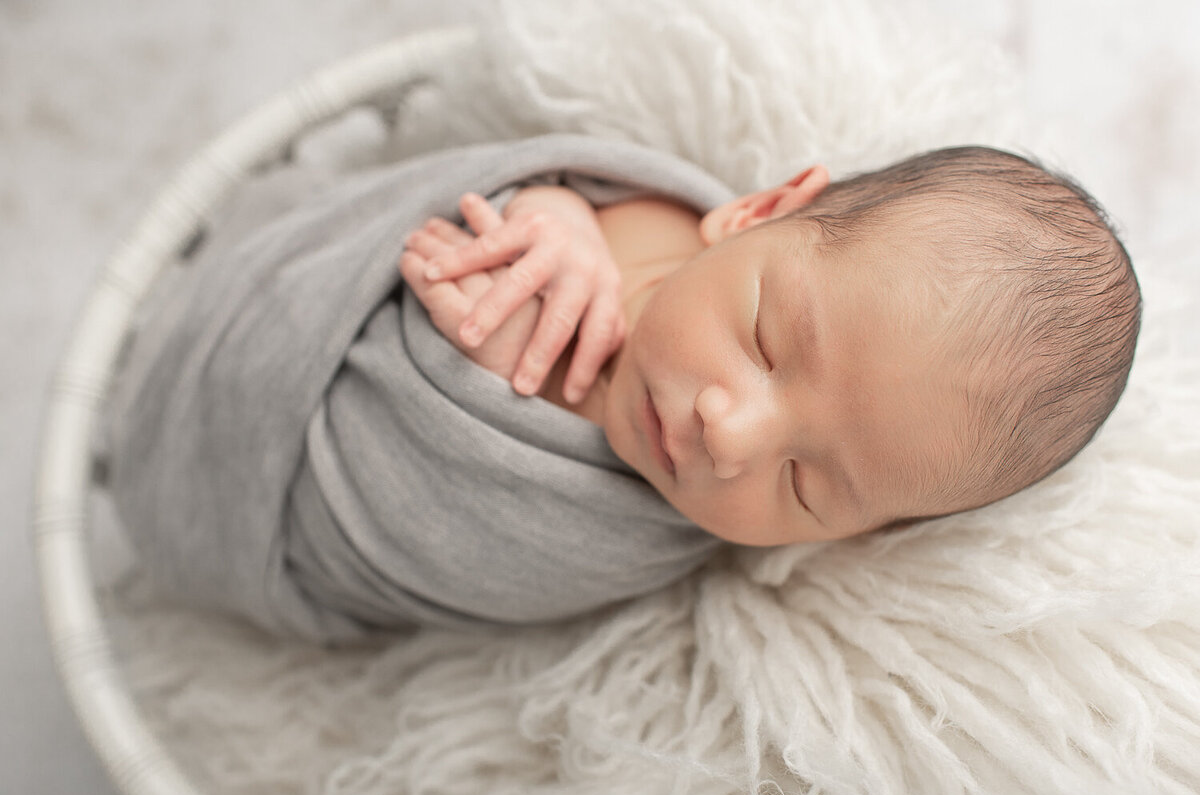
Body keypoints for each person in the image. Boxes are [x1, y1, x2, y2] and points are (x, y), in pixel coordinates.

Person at [400, 145, 1141, 547]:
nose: (728, 434)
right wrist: (547, 216)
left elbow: (450, 548)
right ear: (758, 213)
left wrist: (478, 385)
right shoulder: (646, 220)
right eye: (763, 342)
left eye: (803, 486)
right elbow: (513, 173)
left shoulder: (635, 539)